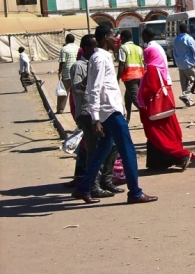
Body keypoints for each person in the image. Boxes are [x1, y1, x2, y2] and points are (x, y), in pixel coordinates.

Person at [72, 25, 157, 205]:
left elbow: (108, 86)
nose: (116, 39)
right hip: (109, 111)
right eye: (113, 36)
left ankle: (83, 187)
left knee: (102, 150)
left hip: (111, 109)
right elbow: (94, 88)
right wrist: (95, 118)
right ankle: (135, 192)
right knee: (128, 150)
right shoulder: (99, 59)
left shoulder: (104, 57)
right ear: (104, 38)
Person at [71, 35, 120, 198]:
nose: (95, 49)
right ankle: (93, 185)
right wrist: (89, 79)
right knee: (94, 149)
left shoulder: (100, 60)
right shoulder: (79, 66)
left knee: (111, 146)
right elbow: (77, 90)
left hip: (103, 111)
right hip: (87, 113)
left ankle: (106, 179)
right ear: (85, 48)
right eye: (92, 46)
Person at [138, 39, 193, 170]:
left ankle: (182, 155)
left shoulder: (151, 69)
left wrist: (142, 97)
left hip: (154, 110)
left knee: (159, 136)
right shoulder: (159, 68)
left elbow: (150, 89)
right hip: (161, 108)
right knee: (162, 136)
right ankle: (160, 162)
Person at [117, 30, 145, 121]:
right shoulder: (138, 48)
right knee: (128, 98)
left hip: (130, 76)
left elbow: (122, 63)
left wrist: (117, 77)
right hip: (140, 75)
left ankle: (147, 113)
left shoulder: (123, 48)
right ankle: (127, 118)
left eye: (121, 38)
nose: (120, 39)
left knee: (135, 98)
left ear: (124, 38)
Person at [172, 23, 195, 107]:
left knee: (184, 83)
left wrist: (177, 61)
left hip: (180, 64)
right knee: (194, 81)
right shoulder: (188, 38)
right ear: (186, 29)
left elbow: (174, 52)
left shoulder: (176, 39)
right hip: (189, 63)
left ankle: (189, 101)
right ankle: (186, 95)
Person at [56, 34, 80, 113]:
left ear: (66, 40)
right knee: (75, 93)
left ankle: (60, 109)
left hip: (67, 73)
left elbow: (62, 62)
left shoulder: (64, 49)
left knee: (63, 92)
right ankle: (77, 108)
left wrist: (59, 72)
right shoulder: (78, 48)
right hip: (76, 73)